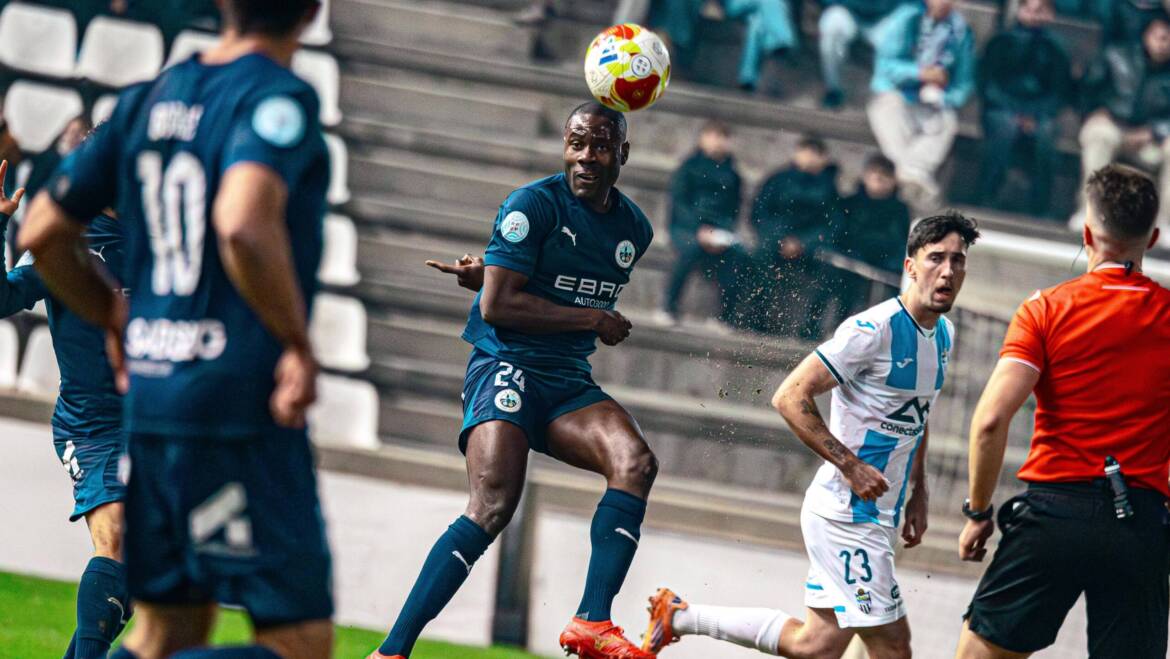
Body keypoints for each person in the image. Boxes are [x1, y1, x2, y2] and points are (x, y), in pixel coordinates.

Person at [18, 1, 334, 658]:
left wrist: (111, 314)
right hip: (232, 404)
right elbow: (243, 223)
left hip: (153, 403)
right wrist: (298, 342)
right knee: (300, 642)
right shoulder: (278, 97)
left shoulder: (146, 100)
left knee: (170, 631)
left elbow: (42, 232)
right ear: (311, 12)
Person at [367, 102, 658, 659]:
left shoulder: (633, 230)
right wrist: (589, 318)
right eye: (576, 143)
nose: (586, 157)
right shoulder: (531, 204)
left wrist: (495, 271)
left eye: (600, 146)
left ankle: (592, 621)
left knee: (636, 463)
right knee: (494, 504)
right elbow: (499, 307)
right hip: (506, 365)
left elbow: (549, 283)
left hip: (566, 380)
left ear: (623, 153)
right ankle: (392, 651)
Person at [642, 213, 981, 659]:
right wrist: (851, 465)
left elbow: (919, 414)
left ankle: (680, 617)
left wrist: (919, 490)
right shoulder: (873, 329)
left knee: (816, 646)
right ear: (911, 266)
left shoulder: (943, 335)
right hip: (847, 517)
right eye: (936, 258)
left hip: (881, 516)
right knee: (894, 648)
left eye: (957, 260)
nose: (948, 270)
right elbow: (789, 396)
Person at [955, 165, 1170, 659]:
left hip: (1055, 516)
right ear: (1153, 237)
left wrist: (979, 512)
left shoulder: (1045, 309)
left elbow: (990, 421)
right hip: (1140, 525)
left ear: (1088, 233)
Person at [0, 155, 130, 659]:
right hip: (92, 426)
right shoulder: (68, 243)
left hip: (155, 425)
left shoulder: (160, 241)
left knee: (135, 580)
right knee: (114, 539)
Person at [867, 0, 976, 209]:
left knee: (946, 121)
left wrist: (944, 96)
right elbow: (884, 68)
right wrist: (919, 72)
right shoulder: (905, 19)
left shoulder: (961, 31)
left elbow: (964, 83)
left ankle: (905, 173)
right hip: (896, 96)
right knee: (887, 110)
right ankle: (913, 178)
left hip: (932, 103)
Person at [1071, 16, 1170, 245]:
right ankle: (1089, 213)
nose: (1164, 44)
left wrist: (1155, 131)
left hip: (1150, 141)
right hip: (1113, 127)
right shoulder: (1115, 56)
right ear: (1146, 36)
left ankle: (1165, 224)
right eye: (1160, 37)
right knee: (1099, 135)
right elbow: (1087, 89)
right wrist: (1095, 110)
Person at [976, 0, 1072, 218]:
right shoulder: (1000, 41)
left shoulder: (1057, 48)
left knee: (1046, 134)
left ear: (1050, 14)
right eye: (1029, 9)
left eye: (1041, 11)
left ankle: (1040, 205)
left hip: (1039, 113)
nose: (1034, 15)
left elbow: (1060, 91)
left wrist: (1035, 115)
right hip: (1002, 109)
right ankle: (987, 194)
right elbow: (988, 84)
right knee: (1004, 128)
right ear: (1019, 10)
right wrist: (1016, 114)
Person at [657, 119, 747, 329]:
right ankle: (668, 307)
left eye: (723, 137)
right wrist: (699, 229)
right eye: (713, 136)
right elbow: (679, 205)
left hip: (719, 230)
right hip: (687, 228)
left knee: (738, 256)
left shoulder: (733, 175)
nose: (717, 142)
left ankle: (725, 316)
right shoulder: (687, 169)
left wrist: (721, 232)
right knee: (689, 250)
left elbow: (734, 210)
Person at [748, 136, 839, 339]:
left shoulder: (829, 188)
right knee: (759, 259)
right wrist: (780, 239)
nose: (809, 159)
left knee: (829, 270)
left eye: (815, 154)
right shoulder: (777, 180)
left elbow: (831, 224)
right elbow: (759, 213)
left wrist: (804, 244)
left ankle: (810, 327)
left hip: (810, 249)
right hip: (775, 243)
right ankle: (756, 319)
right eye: (805, 152)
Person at [650, 0, 798, 92]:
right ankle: (783, 40)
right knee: (772, 2)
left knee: (757, 24)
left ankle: (747, 79)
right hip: (733, 3)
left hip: (755, 9)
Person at [832, 154, 912, 316]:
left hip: (886, 265)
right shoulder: (849, 203)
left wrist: (890, 263)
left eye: (885, 177)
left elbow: (903, 242)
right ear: (866, 177)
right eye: (875, 176)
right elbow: (838, 234)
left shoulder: (900, 210)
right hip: (851, 261)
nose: (879, 181)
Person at [818, 0, 910, 109]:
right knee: (832, 20)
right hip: (850, 13)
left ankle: (892, 95)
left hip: (886, 17)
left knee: (903, 24)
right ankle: (834, 89)